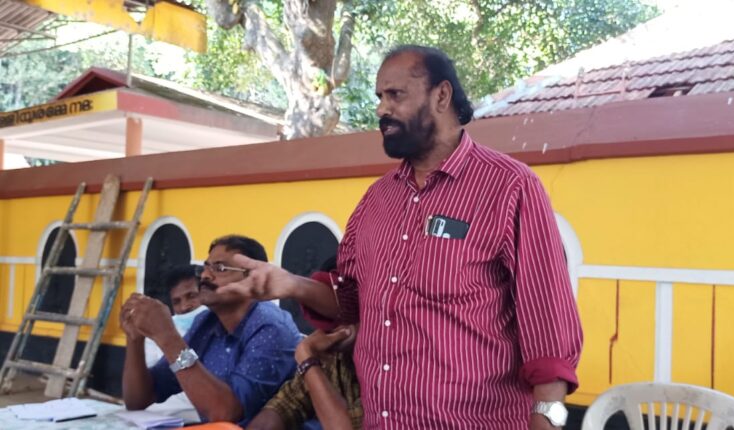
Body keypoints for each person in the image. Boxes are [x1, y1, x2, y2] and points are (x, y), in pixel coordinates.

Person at [222, 45, 583, 429]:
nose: (382, 109)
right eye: (380, 97)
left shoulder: (509, 187)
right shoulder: (377, 199)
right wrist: (293, 285)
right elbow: (351, 301)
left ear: (441, 95)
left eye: (395, 95)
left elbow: (549, 326)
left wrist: (548, 419)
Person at [120, 235, 302, 428]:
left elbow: (225, 414)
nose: (206, 276)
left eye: (220, 268)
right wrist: (135, 338)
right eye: (205, 268)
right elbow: (138, 399)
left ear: (253, 279)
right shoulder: (206, 323)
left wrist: (167, 337)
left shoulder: (271, 327)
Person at [248, 265, 362, 430]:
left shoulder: (391, 362)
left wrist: (307, 360)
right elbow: (286, 404)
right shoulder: (332, 355)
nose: (332, 325)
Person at [144, 264, 207, 367]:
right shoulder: (157, 332)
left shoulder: (221, 328)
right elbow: (154, 373)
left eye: (191, 296)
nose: (184, 307)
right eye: (176, 302)